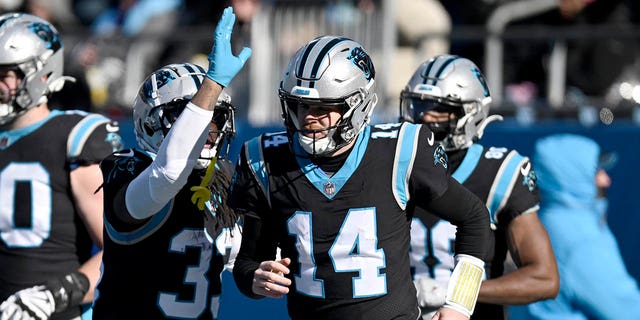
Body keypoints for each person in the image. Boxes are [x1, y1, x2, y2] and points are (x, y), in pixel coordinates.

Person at [231, 35, 493, 320]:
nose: (308, 118)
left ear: (358, 106)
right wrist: (255, 278)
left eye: (323, 108)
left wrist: (459, 304)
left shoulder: (400, 150)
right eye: (300, 106)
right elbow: (248, 261)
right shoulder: (264, 157)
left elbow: (474, 217)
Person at [91, 7, 251, 320]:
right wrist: (212, 84)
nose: (208, 130)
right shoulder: (127, 168)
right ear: (151, 123)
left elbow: (243, 260)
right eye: (189, 117)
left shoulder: (221, 179)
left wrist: (260, 270)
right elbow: (168, 173)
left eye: (216, 118)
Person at [399, 54, 559, 320]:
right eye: (418, 106)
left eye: (439, 110)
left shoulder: (498, 173)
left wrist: (456, 292)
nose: (424, 117)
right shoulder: (392, 163)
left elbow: (544, 278)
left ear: (471, 114)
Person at [0, 12, 122, 320]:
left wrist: (55, 295)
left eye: (5, 74)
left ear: (42, 74)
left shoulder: (72, 138)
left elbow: (122, 252)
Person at [509, 133, 640, 319]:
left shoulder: (540, 221)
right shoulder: (581, 240)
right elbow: (627, 313)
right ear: (571, 176)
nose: (606, 180)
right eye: (596, 172)